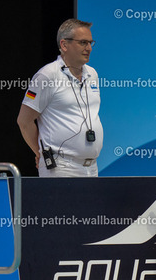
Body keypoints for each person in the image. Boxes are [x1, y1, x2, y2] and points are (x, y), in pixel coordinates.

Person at [17, 18, 103, 177]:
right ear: (64, 45)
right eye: (83, 43)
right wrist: (40, 152)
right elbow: (24, 121)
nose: (89, 48)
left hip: (91, 167)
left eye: (90, 43)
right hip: (61, 166)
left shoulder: (92, 74)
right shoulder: (47, 75)